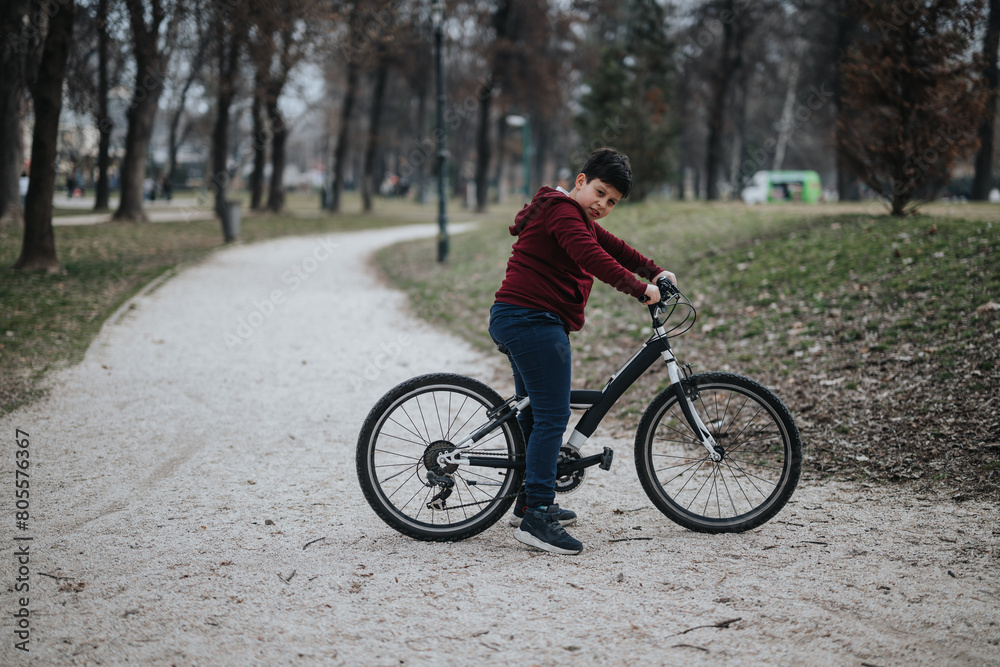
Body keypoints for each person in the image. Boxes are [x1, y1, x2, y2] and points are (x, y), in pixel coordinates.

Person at [488, 147, 675, 555]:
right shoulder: (562, 211)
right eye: (599, 192)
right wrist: (640, 288)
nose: (603, 205)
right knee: (554, 414)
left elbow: (614, 247)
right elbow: (591, 257)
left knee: (536, 411)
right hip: (530, 319)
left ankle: (527, 499)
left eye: (612, 202)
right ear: (580, 181)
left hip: (527, 318)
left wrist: (653, 269)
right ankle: (537, 514)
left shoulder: (574, 214)